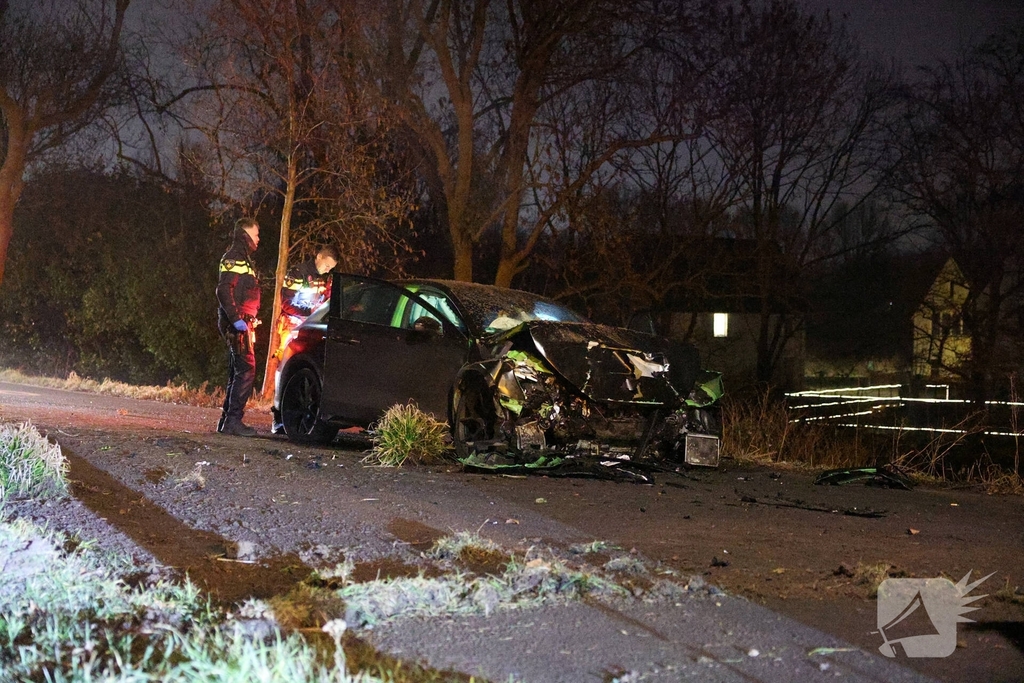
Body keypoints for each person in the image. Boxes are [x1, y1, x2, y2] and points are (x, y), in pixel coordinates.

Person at [270, 245, 338, 434]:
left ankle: (295, 415)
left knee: (302, 374)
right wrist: (309, 313)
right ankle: (278, 418)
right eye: (326, 265)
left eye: (330, 268)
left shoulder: (325, 279)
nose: (327, 270)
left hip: (310, 328)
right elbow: (286, 303)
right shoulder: (297, 273)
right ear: (319, 257)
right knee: (284, 371)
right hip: (292, 325)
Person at [216, 218, 261, 437]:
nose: (258, 239)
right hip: (238, 325)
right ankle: (233, 421)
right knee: (246, 370)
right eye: (256, 235)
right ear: (245, 235)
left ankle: (226, 421)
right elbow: (224, 291)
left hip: (243, 323)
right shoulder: (234, 258)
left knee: (238, 371)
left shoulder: (243, 259)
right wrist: (236, 320)